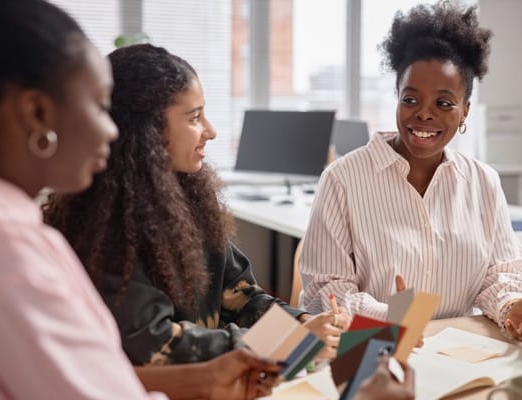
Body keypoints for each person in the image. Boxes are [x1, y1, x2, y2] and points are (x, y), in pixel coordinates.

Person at [0, 0, 283, 399]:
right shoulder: (5, 246)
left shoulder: (10, 231)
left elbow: (105, 376)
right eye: (100, 107)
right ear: (36, 112)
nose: (110, 130)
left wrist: (302, 333)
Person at [43, 43, 350, 367]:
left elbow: (241, 297)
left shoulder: (187, 197)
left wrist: (301, 324)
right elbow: (156, 345)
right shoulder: (108, 224)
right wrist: (284, 342)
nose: (211, 131)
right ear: (148, 131)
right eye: (194, 118)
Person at [299, 2, 522, 342]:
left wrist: (511, 306)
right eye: (410, 99)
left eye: (444, 103)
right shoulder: (343, 179)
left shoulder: (483, 182)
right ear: (397, 99)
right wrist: (391, 317)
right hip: (370, 346)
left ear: (464, 112)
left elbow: (498, 276)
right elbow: (325, 291)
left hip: (457, 351)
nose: (423, 114)